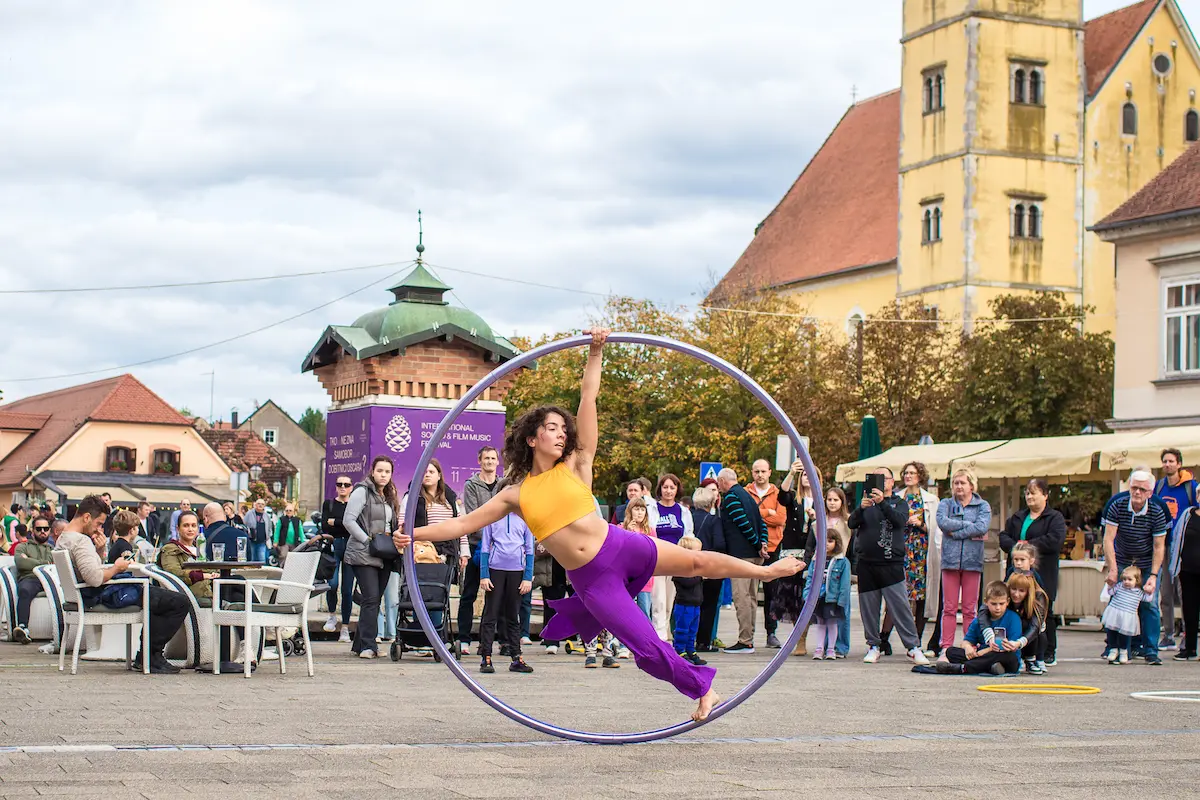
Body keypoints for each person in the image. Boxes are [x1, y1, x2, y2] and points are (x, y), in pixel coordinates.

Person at [397, 329, 803, 721]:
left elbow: (588, 396)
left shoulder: (577, 463)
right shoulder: (514, 494)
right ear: (532, 439)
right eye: (550, 428)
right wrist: (411, 533)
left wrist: (595, 351)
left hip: (621, 545)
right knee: (643, 644)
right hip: (591, 580)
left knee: (695, 563)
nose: (560, 434)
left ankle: (763, 571)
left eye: (562, 428)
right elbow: (461, 524)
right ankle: (702, 687)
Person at [54, 495, 190, 674]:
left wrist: (100, 550)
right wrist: (117, 568)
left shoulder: (64, 538)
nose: (99, 528)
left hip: (85, 595)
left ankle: (148, 655)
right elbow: (94, 578)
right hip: (101, 596)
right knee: (178, 602)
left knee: (158, 599)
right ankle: (151, 656)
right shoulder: (81, 541)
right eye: (98, 523)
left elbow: (87, 570)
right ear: (87, 517)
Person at [852, 468, 930, 666]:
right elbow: (852, 522)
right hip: (867, 562)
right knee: (869, 608)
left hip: (891, 562)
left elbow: (899, 520)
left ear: (891, 481)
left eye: (883, 478)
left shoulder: (899, 502)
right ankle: (873, 645)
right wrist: (861, 508)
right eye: (875, 478)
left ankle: (913, 647)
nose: (880, 482)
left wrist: (882, 503)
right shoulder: (865, 502)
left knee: (900, 606)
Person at [1101, 469, 1170, 665]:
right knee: (1117, 602)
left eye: (1142, 489)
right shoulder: (1117, 505)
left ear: (1150, 492)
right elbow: (1108, 539)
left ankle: (1150, 651)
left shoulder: (1157, 511)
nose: (1137, 492)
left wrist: (1154, 575)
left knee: (1150, 604)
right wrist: (1113, 569)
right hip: (1122, 558)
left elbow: (1159, 546)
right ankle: (1115, 648)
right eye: (1134, 488)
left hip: (1147, 560)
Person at [999, 478, 1067, 665]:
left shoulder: (1054, 518)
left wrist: (1028, 546)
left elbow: (1055, 540)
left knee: (1044, 610)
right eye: (1027, 493)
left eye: (1034, 493)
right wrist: (1016, 548)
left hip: (1043, 571)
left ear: (1045, 495)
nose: (1029, 496)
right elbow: (1003, 537)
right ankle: (1017, 649)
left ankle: (1048, 651)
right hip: (1016, 573)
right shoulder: (1018, 517)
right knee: (1015, 609)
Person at [343, 456, 401, 658]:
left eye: (387, 472)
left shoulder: (389, 495)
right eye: (380, 471)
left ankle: (360, 644)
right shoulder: (361, 491)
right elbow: (348, 520)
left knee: (374, 599)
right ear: (372, 472)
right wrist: (367, 541)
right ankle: (369, 646)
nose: (383, 475)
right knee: (370, 598)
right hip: (363, 552)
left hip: (385, 552)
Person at [883, 462, 941, 652]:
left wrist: (921, 523)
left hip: (921, 552)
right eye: (906, 473)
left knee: (921, 597)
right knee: (896, 595)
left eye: (912, 473)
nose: (908, 476)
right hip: (901, 550)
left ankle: (915, 641)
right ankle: (884, 638)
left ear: (920, 476)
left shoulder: (931, 500)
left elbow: (935, 529)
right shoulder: (897, 497)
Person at [936, 468, 992, 652]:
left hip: (972, 562)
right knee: (949, 607)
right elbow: (942, 522)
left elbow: (982, 527)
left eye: (962, 483)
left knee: (970, 609)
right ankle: (946, 646)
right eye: (956, 483)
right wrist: (968, 526)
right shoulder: (945, 503)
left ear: (971, 485)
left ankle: (970, 645)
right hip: (950, 561)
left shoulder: (982, 505)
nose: (958, 486)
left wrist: (956, 533)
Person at [716, 467, 770, 654]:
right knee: (752, 597)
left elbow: (743, 524)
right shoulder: (748, 496)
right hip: (754, 556)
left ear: (723, 481)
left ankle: (745, 640)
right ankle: (749, 637)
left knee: (741, 598)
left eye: (718, 483)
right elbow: (761, 522)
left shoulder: (731, 498)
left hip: (741, 556)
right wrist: (763, 543)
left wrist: (757, 544)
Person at [478, 512, 535, 674]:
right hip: (495, 569)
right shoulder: (492, 517)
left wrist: (527, 577)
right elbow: (485, 546)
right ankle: (486, 657)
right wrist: (484, 574)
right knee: (491, 614)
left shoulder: (525, 518)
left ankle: (516, 657)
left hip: (516, 570)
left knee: (513, 616)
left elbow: (530, 549)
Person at [460, 446, 504, 655]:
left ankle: (489, 641)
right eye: (486, 458)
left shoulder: (504, 485)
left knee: (495, 595)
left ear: (498, 461)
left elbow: (505, 513)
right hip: (476, 545)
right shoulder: (471, 485)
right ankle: (464, 639)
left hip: (499, 548)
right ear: (479, 461)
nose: (489, 461)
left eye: (493, 458)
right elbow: (474, 515)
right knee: (468, 593)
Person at [934, 582, 1023, 675]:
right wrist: (968, 647)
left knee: (1008, 656)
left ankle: (964, 668)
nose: (998, 608)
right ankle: (990, 667)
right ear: (986, 602)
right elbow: (966, 641)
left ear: (1007, 602)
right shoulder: (979, 620)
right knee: (950, 651)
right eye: (993, 604)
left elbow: (1009, 647)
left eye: (1001, 604)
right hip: (982, 655)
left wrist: (983, 652)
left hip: (1003, 656)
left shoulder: (1013, 618)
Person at [1155, 448, 1196, 650]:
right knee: (1166, 592)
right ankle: (1168, 634)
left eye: (1171, 461)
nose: (1167, 464)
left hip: (1183, 546)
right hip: (1163, 544)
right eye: (1165, 461)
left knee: (1185, 592)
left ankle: (1187, 637)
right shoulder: (1159, 487)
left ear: (1179, 464)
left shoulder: (1190, 487)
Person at [778, 459, 817, 656]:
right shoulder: (795, 499)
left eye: (812, 476)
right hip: (793, 550)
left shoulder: (823, 502)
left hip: (811, 552)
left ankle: (803, 638)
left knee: (806, 596)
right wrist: (792, 473)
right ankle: (797, 637)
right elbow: (782, 495)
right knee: (793, 597)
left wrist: (815, 518)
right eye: (805, 476)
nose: (807, 479)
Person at [746, 459, 786, 649]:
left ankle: (771, 632)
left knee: (772, 593)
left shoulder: (778, 494)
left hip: (773, 547)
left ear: (769, 472)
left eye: (763, 471)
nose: (759, 474)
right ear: (752, 473)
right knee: (749, 593)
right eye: (756, 471)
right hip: (750, 546)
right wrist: (767, 512)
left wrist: (758, 514)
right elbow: (745, 516)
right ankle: (747, 634)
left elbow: (780, 518)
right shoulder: (746, 492)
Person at [647, 473, 693, 640]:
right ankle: (658, 637)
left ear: (677, 490)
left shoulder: (683, 511)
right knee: (658, 600)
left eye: (672, 488)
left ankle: (665, 632)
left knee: (669, 600)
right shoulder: (652, 509)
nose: (668, 491)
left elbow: (689, 535)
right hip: (658, 559)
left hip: (676, 560)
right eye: (665, 487)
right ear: (660, 489)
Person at [803, 530, 852, 661]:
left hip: (832, 598)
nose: (827, 544)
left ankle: (831, 649)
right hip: (818, 597)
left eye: (830, 541)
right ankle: (819, 648)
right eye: (824, 541)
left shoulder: (842, 561)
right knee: (820, 623)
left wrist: (842, 601)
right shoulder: (816, 560)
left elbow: (845, 584)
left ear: (837, 543)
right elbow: (810, 578)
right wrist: (807, 595)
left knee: (832, 623)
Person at [691, 486, 726, 653]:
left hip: (690, 567)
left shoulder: (688, 517)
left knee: (690, 604)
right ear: (711, 502)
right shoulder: (714, 521)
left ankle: (688, 639)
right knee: (709, 606)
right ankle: (703, 642)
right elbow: (719, 544)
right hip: (710, 567)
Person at [321, 477, 354, 642]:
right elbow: (325, 526)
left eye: (346, 485)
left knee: (347, 589)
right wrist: (343, 524)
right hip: (333, 547)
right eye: (339, 484)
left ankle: (345, 627)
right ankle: (332, 615)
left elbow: (353, 526)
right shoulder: (329, 504)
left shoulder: (353, 505)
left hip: (350, 547)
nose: (342, 487)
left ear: (351, 487)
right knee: (332, 584)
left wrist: (337, 522)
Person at [11, 517, 53, 644]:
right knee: (25, 589)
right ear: (32, 530)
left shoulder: (52, 549)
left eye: (45, 529)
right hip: (30, 578)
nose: (42, 531)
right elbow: (21, 562)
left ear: (49, 530)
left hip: (50, 580)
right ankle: (22, 627)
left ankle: (61, 630)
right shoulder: (22, 547)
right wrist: (45, 563)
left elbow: (56, 566)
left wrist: (32, 561)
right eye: (39, 529)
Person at [1169, 503, 1200, 660]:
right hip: (1187, 571)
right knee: (1189, 612)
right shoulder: (1188, 515)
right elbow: (1176, 537)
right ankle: (1190, 649)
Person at [1101, 566, 1148, 664]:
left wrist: (1150, 591)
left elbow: (1147, 599)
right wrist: (1110, 585)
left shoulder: (1138, 592)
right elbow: (1110, 592)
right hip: (1115, 612)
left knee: (1124, 635)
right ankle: (1113, 649)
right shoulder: (1119, 586)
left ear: (1137, 580)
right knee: (1112, 632)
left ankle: (1123, 652)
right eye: (1124, 579)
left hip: (1127, 615)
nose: (1126, 582)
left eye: (1130, 579)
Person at [671, 536, 707, 666]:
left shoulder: (695, 569)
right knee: (682, 628)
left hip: (695, 604)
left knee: (693, 629)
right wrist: (700, 576)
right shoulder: (680, 569)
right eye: (697, 551)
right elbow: (687, 582)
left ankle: (690, 649)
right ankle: (679, 650)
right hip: (684, 604)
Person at [1005, 571, 1049, 674]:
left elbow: (1035, 626)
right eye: (1013, 589)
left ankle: (1031, 659)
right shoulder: (1003, 592)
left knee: (1034, 628)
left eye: (1021, 591)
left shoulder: (1038, 596)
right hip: (1010, 636)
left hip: (1032, 637)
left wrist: (1019, 643)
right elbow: (986, 607)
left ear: (1028, 591)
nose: (1016, 594)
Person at [622, 497, 656, 618]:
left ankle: (647, 636)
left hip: (644, 578)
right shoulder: (621, 528)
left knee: (644, 612)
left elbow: (654, 552)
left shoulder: (650, 531)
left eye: (642, 509)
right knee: (624, 612)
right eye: (636, 509)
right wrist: (629, 533)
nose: (640, 512)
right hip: (625, 578)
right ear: (630, 511)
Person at [243, 499, 274, 564]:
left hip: (262, 542)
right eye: (259, 503)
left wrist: (268, 537)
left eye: (262, 504)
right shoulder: (249, 513)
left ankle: (261, 573)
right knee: (252, 559)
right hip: (251, 541)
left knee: (262, 559)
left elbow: (269, 527)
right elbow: (244, 525)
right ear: (255, 505)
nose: (260, 505)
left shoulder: (266, 516)